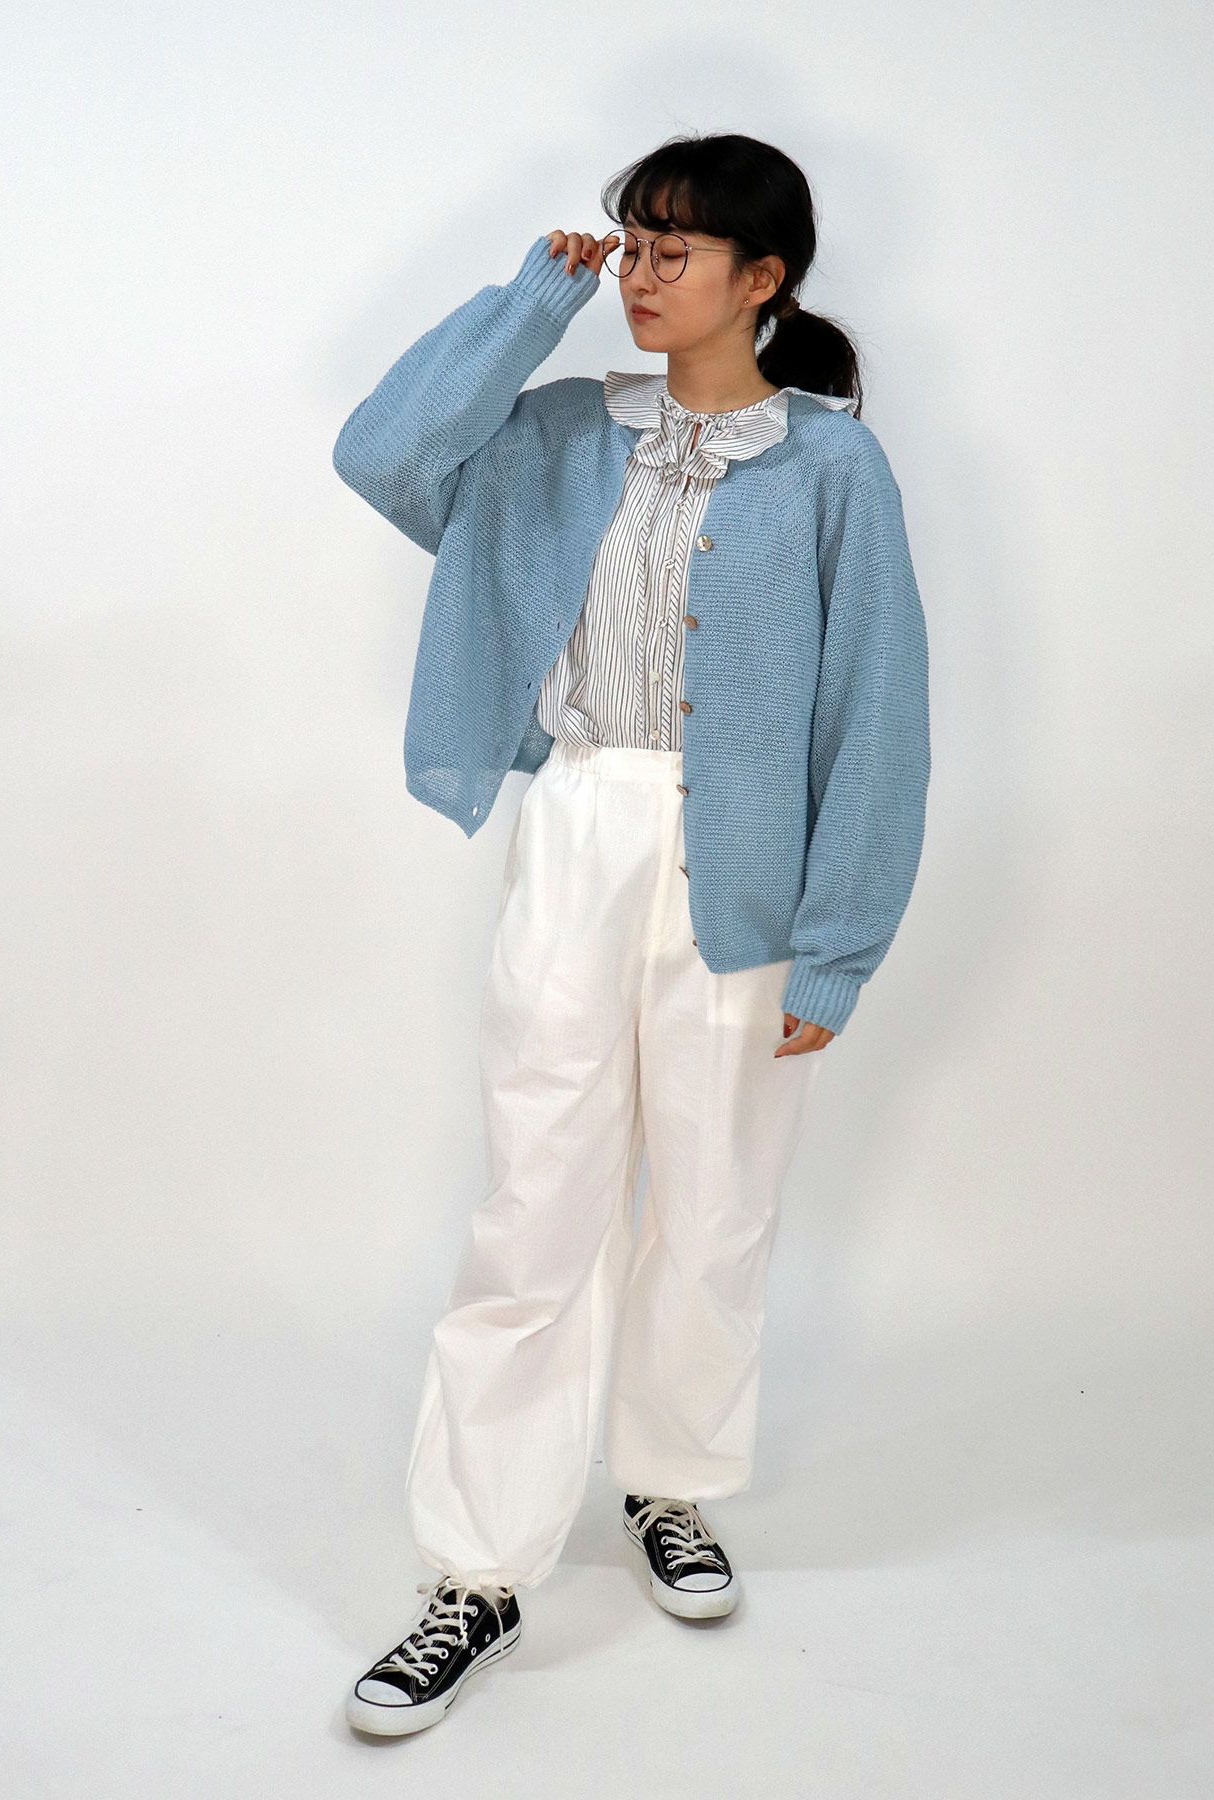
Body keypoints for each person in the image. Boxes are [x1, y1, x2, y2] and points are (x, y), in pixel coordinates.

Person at [332, 132, 931, 1737]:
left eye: (677, 250)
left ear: (765, 278)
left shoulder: (833, 469)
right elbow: (383, 457)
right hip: (582, 829)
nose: (642, 275)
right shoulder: (552, 434)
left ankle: (670, 1482)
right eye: (633, 243)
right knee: (535, 1203)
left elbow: (876, 712)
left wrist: (840, 943)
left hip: (753, 868)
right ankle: (476, 1572)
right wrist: (529, 306)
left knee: (718, 1207)